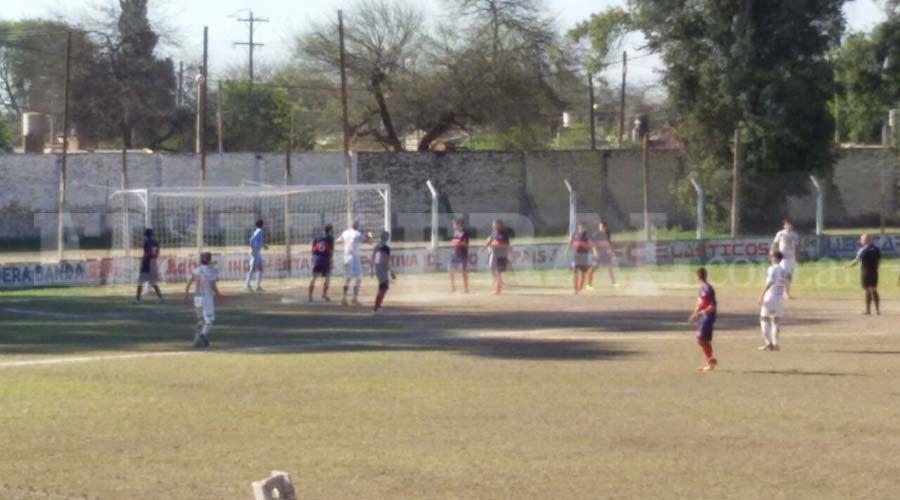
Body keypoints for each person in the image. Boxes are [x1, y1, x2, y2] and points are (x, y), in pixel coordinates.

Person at [184, 252, 223, 348]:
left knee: (201, 320)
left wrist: (186, 294)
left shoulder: (196, 270)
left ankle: (196, 340)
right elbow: (213, 285)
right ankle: (202, 336)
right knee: (209, 321)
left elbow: (188, 284)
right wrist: (219, 295)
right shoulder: (212, 271)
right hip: (207, 298)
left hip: (197, 298)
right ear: (209, 260)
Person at [688, 267, 718, 372]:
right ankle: (710, 361)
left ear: (698, 276)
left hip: (708, 317)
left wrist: (700, 313)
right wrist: (694, 313)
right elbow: (700, 303)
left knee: (701, 338)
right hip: (703, 316)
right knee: (702, 340)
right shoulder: (702, 288)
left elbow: (712, 306)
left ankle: (710, 361)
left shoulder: (708, 288)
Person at [337, 220, 372, 306]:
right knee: (359, 278)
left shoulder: (345, 233)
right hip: (355, 257)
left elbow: (337, 241)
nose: (358, 226)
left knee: (347, 278)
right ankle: (354, 298)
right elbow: (370, 242)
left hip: (346, 257)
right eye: (358, 224)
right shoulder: (357, 233)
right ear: (356, 225)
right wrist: (370, 234)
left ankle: (344, 298)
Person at [758, 251, 787, 351]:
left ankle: (768, 343)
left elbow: (769, 282)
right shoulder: (783, 270)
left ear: (775, 258)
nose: (770, 258)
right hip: (779, 297)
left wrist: (761, 295)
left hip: (770, 295)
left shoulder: (772, 268)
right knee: (775, 320)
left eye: (771, 257)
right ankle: (776, 344)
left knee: (764, 318)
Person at [847, 233, 881, 315]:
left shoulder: (863, 250)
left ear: (866, 240)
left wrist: (848, 265)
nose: (861, 241)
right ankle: (877, 310)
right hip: (874, 272)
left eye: (861, 239)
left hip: (865, 272)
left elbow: (856, 261)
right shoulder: (876, 249)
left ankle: (868, 310)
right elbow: (879, 260)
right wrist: (876, 268)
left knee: (868, 290)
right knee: (873, 289)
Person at [133, 228, 164, 304]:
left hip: (147, 263)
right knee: (153, 282)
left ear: (145, 235)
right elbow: (157, 251)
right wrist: (155, 257)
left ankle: (137, 299)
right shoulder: (156, 241)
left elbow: (146, 253)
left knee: (140, 281)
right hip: (153, 262)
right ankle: (160, 298)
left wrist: (143, 263)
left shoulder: (146, 242)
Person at [481, 219, 511, 295]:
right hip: (494, 252)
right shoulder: (494, 232)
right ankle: (498, 282)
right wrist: (484, 247)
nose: (493, 225)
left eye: (495, 224)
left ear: (500, 225)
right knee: (491, 267)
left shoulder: (504, 233)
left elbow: (506, 245)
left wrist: (497, 245)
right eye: (493, 224)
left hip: (501, 253)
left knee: (498, 271)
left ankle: (498, 289)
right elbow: (489, 240)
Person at [771, 220, 799, 299]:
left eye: (791, 224)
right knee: (784, 274)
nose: (789, 226)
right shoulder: (780, 233)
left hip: (791, 258)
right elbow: (775, 243)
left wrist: (797, 256)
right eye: (788, 224)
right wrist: (773, 253)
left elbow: (796, 246)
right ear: (784, 226)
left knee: (789, 275)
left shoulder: (795, 235)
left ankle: (786, 292)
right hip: (783, 258)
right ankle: (780, 292)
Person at [371, 230, 397, 314]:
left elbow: (372, 258)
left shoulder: (376, 246)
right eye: (388, 236)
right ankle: (376, 308)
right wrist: (391, 272)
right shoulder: (386, 248)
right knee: (383, 288)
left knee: (382, 287)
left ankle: (378, 306)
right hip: (382, 269)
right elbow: (386, 261)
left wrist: (372, 270)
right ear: (386, 238)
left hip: (377, 269)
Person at [308, 224, 335, 303]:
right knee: (327, 277)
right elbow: (331, 251)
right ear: (330, 230)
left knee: (314, 278)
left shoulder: (317, 238)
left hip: (317, 258)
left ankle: (310, 296)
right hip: (325, 259)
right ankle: (324, 294)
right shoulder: (330, 238)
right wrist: (331, 260)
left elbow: (313, 249)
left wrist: (313, 258)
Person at [587, 221, 617, 289]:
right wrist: (595, 252)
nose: (600, 228)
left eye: (601, 227)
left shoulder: (607, 234)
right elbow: (593, 244)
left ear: (605, 227)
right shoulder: (596, 234)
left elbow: (608, 243)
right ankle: (589, 285)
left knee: (610, 268)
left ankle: (614, 283)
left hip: (605, 253)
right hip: (598, 254)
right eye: (600, 226)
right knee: (592, 269)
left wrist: (610, 251)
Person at [566, 222, 593, 294]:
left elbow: (591, 244)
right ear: (578, 227)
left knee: (583, 272)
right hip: (576, 255)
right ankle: (575, 288)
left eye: (583, 227)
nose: (581, 228)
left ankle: (580, 288)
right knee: (575, 270)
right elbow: (570, 242)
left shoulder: (587, 235)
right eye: (580, 227)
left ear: (585, 228)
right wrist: (567, 250)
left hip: (584, 256)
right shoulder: (575, 234)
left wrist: (594, 250)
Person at [245, 219, 268, 292]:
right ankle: (247, 285)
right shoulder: (259, 231)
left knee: (260, 268)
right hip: (255, 252)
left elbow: (259, 241)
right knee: (252, 269)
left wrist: (264, 246)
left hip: (257, 252)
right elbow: (251, 239)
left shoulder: (258, 231)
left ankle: (258, 286)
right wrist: (252, 249)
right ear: (262, 225)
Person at [449, 218, 470, 293]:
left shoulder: (465, 233)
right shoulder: (456, 232)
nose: (453, 226)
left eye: (454, 224)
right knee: (451, 270)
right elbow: (453, 241)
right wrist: (454, 242)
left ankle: (466, 289)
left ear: (458, 225)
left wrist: (459, 242)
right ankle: (453, 288)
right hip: (455, 253)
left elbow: (466, 244)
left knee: (463, 272)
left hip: (462, 254)